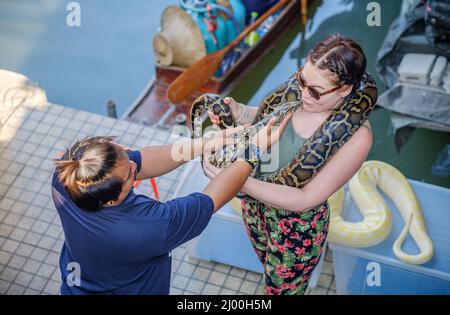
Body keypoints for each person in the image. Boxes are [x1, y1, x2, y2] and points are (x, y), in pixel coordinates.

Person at [204, 34, 373, 295]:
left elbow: (305, 197)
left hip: (296, 228)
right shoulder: (300, 94)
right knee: (267, 268)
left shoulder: (357, 136)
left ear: (345, 89)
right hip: (254, 207)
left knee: (282, 291)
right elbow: (266, 117)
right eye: (302, 80)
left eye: (315, 91)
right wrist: (240, 113)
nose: (304, 93)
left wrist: (237, 178)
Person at [51, 113, 291, 295]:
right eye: (130, 174)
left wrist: (204, 144)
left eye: (126, 156)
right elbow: (213, 197)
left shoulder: (69, 173)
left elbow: (142, 160)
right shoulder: (147, 226)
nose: (135, 166)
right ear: (112, 199)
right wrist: (255, 150)